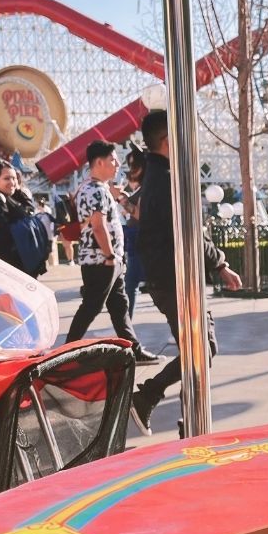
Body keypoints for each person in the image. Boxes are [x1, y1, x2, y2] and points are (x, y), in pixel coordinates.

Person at [130, 110, 243, 436]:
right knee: (201, 350)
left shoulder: (160, 175)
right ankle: (153, 398)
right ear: (169, 140)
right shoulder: (167, 179)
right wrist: (220, 265)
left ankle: (182, 418)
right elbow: (192, 233)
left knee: (202, 350)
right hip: (175, 279)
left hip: (171, 278)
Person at [63, 140, 157, 365]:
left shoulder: (94, 188)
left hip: (107, 260)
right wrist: (109, 255)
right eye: (113, 160)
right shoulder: (96, 190)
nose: (117, 165)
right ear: (99, 162)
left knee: (119, 306)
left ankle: (134, 349)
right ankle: (65, 354)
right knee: (92, 307)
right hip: (101, 261)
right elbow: (98, 225)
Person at [0, 160, 38, 271]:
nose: (12, 182)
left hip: (12, 264)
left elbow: (29, 212)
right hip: (5, 266)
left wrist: (18, 190)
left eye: (14, 178)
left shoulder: (9, 199)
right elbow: (4, 233)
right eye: (6, 178)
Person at [121, 148, 146, 319]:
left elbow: (140, 214)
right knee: (130, 285)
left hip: (141, 242)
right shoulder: (143, 188)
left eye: (133, 166)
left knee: (131, 284)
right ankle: (126, 326)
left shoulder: (147, 188)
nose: (130, 170)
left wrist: (122, 200)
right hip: (136, 242)